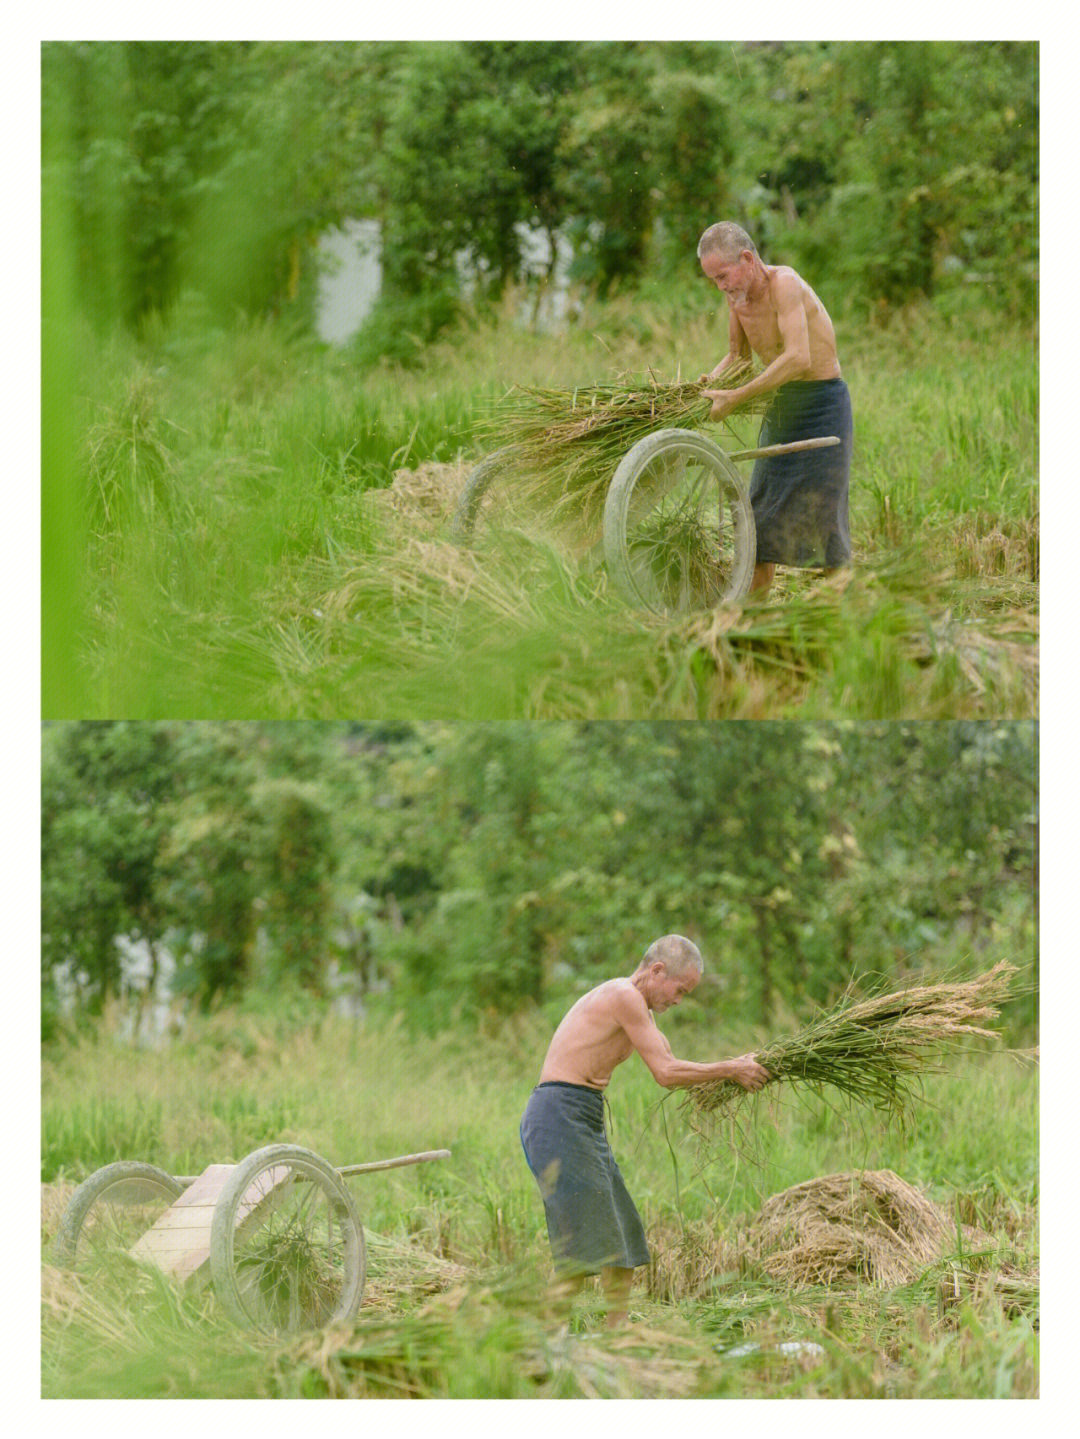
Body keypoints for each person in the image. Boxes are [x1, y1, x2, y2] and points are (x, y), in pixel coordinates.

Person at [519, 934, 768, 1327]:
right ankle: (543, 1348)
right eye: (680, 989)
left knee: (624, 1241)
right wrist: (733, 1068)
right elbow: (666, 1074)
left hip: (582, 1118)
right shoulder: (623, 995)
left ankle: (617, 1343)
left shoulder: (640, 1010)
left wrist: (736, 1073)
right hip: (558, 1117)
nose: (679, 999)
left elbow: (671, 1061)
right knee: (579, 1252)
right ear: (656, 971)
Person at [696, 221, 853, 596]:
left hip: (822, 404)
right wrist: (705, 385)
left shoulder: (785, 284)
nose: (721, 287)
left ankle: (847, 631)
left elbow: (798, 358)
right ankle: (748, 631)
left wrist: (737, 397)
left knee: (827, 532)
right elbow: (738, 357)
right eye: (713, 280)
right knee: (758, 528)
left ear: (747, 259)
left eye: (723, 275)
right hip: (782, 406)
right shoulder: (736, 297)